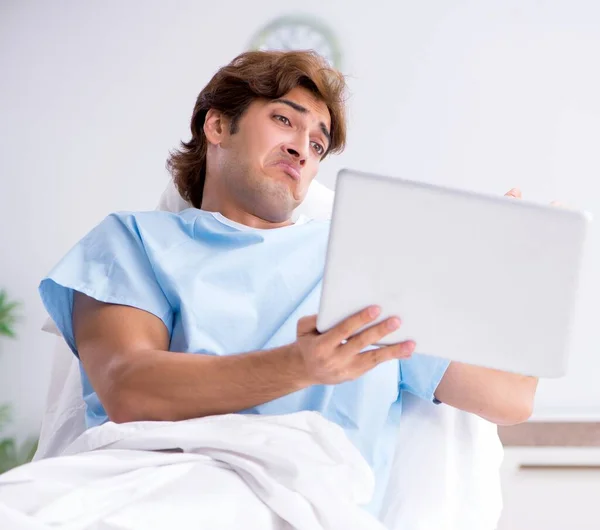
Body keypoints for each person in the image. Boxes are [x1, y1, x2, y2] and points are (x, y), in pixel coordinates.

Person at [39, 50, 537, 517]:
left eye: (318, 143)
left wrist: (515, 270)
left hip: (303, 506)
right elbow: (130, 389)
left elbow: (509, 398)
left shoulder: (363, 259)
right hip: (151, 485)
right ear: (216, 125)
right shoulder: (134, 241)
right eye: (284, 120)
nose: (302, 148)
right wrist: (297, 367)